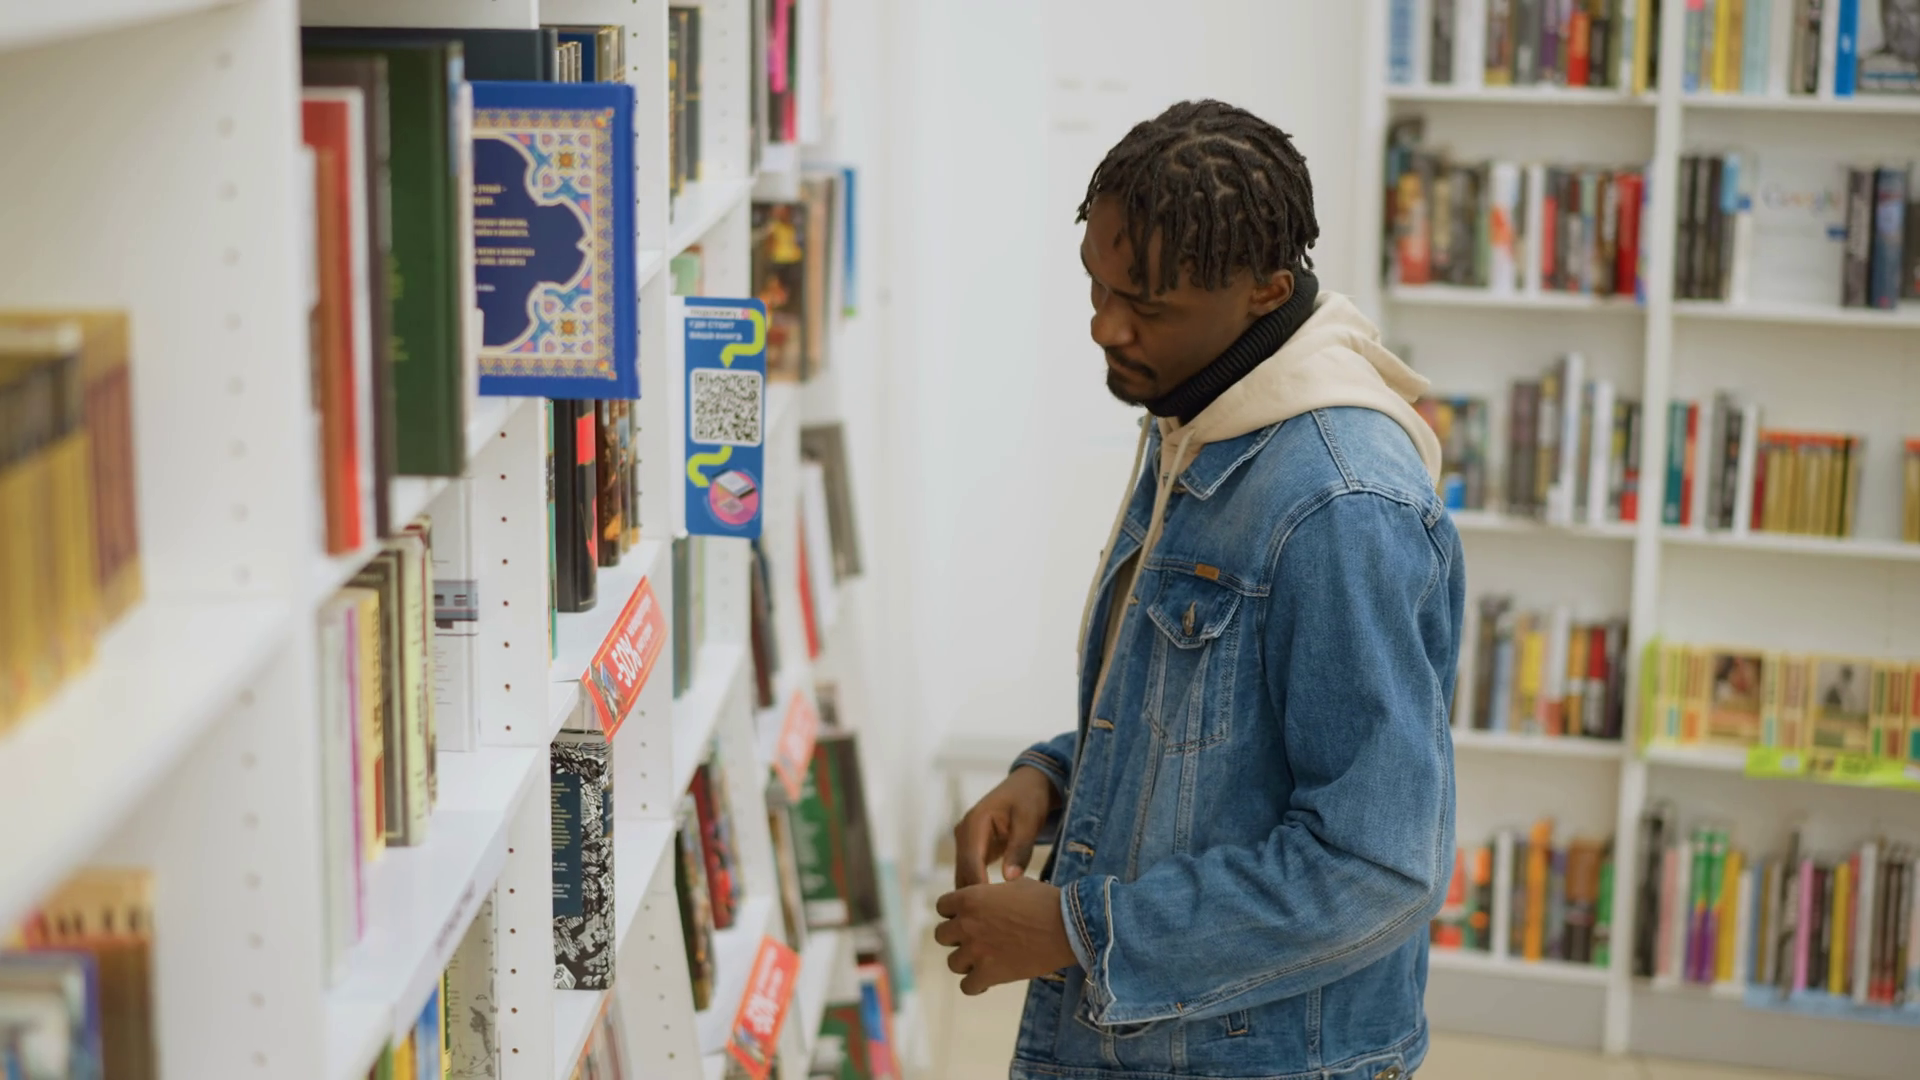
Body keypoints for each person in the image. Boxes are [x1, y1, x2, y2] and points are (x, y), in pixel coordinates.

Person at [935, 100, 1463, 1080]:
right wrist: (1053, 779)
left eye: (1148, 305)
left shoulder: (1340, 507)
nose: (1105, 326)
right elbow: (1220, 732)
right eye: (1096, 285)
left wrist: (1079, 930)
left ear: (1267, 292)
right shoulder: (1202, 408)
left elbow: (1379, 866)